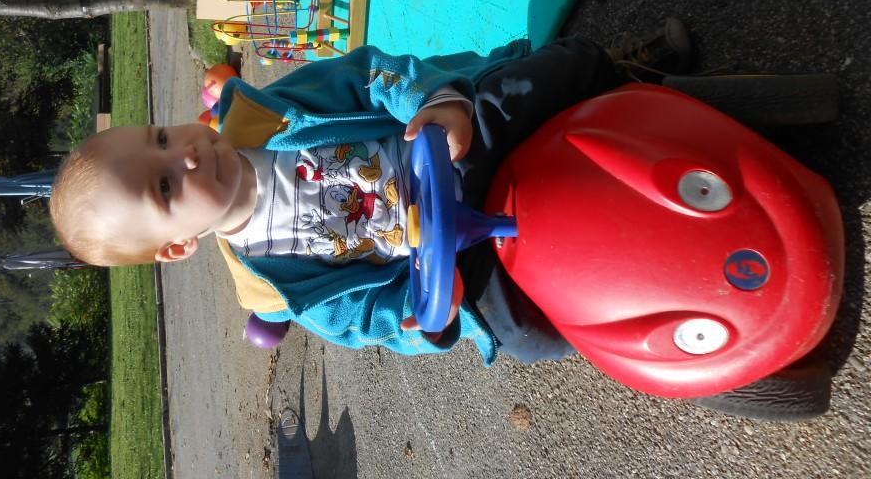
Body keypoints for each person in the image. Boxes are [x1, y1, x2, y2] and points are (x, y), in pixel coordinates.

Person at [49, 20, 691, 366]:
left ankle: (627, 73)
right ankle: (645, 293)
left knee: (543, 79)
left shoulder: (267, 114)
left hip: (453, 146)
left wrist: (434, 103)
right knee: (529, 334)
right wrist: (423, 318)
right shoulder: (280, 283)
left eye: (162, 137)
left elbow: (369, 76)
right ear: (178, 246)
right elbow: (366, 319)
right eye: (165, 185)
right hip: (450, 253)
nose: (186, 154)